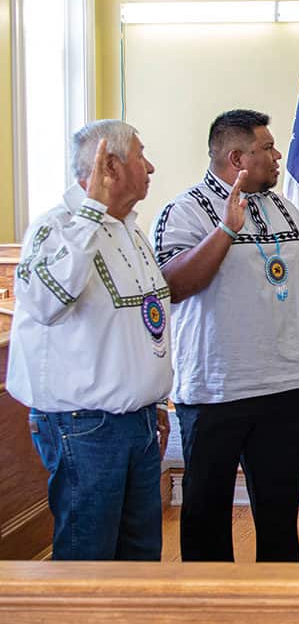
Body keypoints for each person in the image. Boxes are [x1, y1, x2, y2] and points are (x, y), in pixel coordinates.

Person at [152, 109, 299, 562]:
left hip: (283, 383)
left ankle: (279, 600)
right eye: (266, 149)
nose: (277, 157)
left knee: (278, 510)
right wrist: (226, 230)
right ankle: (211, 604)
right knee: (207, 511)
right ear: (236, 157)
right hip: (217, 388)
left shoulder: (283, 207)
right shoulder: (185, 209)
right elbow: (173, 284)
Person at [6, 120, 171, 560]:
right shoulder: (55, 228)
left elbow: (140, 325)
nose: (150, 166)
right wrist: (91, 213)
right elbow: (43, 302)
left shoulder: (131, 230)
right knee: (89, 560)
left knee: (139, 555)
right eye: (140, 155)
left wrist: (152, 402)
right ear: (110, 165)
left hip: (135, 421)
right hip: (85, 426)